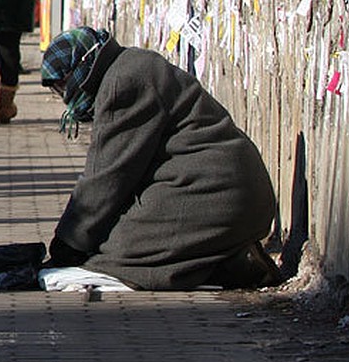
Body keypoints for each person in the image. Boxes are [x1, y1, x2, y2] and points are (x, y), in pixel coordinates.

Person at [40, 27, 282, 291]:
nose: (64, 96)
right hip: (227, 191)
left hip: (218, 194)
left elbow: (107, 177)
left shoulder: (123, 83)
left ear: (82, 68)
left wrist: (68, 244)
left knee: (115, 252)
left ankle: (231, 266)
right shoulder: (127, 66)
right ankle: (230, 262)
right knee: (114, 240)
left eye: (63, 85)